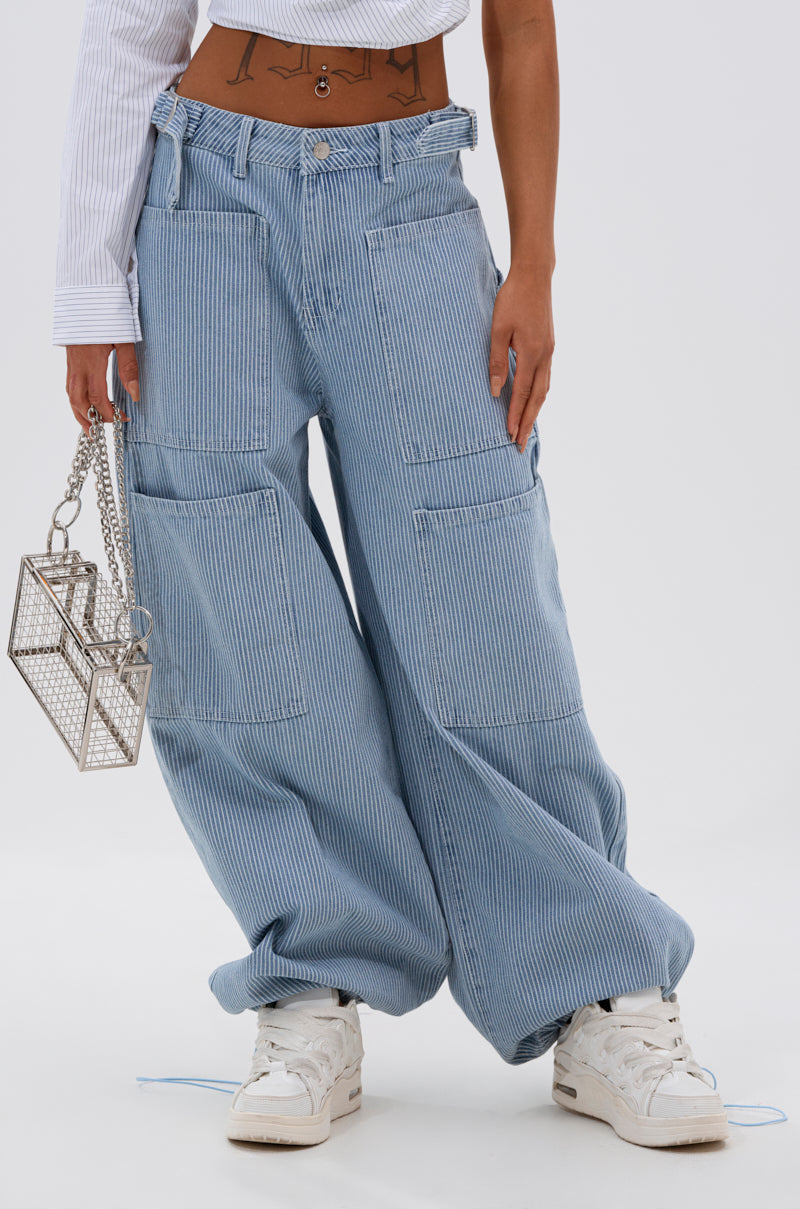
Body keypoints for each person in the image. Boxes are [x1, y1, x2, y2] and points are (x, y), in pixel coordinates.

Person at [53, 0, 728, 1150]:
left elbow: (519, 21)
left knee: (479, 597)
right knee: (237, 606)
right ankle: (310, 979)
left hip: (410, 191)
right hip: (203, 195)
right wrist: (92, 284)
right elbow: (130, 23)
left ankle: (591, 983)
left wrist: (536, 265)